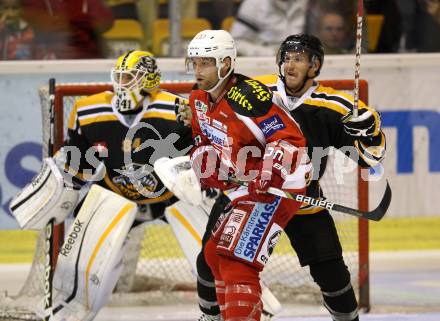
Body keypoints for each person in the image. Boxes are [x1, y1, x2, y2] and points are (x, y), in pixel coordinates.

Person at [179, 34, 386, 321]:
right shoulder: (255, 89)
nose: (290, 65)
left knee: (331, 273)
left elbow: (369, 159)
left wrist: (370, 133)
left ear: (315, 66)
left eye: (298, 59)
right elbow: (217, 111)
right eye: (286, 58)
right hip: (245, 190)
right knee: (210, 258)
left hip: (299, 194)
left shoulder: (334, 106)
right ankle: (212, 316)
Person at [10, 50, 193, 321]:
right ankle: (69, 313)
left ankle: (228, 306)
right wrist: (60, 189)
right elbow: (76, 166)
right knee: (81, 264)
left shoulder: (177, 110)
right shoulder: (89, 111)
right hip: (116, 195)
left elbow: (197, 158)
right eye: (120, 76)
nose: (122, 82)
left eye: (130, 76)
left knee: (213, 251)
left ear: (149, 80)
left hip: (170, 196)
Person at [185, 29, 311, 321]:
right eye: (195, 63)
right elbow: (202, 140)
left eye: (205, 63)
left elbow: (290, 140)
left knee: (239, 262)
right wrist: (203, 163)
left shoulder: (247, 97)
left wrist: (271, 172)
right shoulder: (198, 98)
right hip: (245, 188)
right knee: (215, 255)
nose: (198, 70)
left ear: (226, 63)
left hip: (282, 184)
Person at [21, 0, 114, 59]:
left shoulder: (88, 2)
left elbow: (105, 22)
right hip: (46, 62)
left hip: (86, 61)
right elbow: (37, 22)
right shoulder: (35, 3)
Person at [230, 0, 309, 56]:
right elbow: (236, 43)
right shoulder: (253, 3)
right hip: (264, 61)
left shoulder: (309, 4)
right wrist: (270, 53)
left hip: (301, 58)